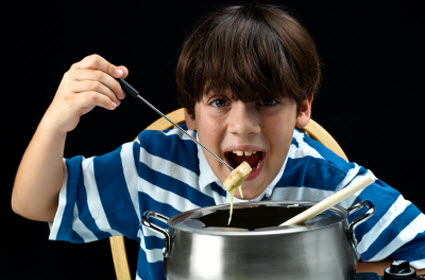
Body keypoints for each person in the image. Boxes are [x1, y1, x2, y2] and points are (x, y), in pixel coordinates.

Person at [11, 4, 425, 280]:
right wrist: (55, 122)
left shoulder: (333, 187)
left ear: (302, 110)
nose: (243, 127)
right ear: (190, 114)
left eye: (267, 101)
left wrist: (343, 269)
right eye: (220, 102)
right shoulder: (153, 167)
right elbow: (34, 204)